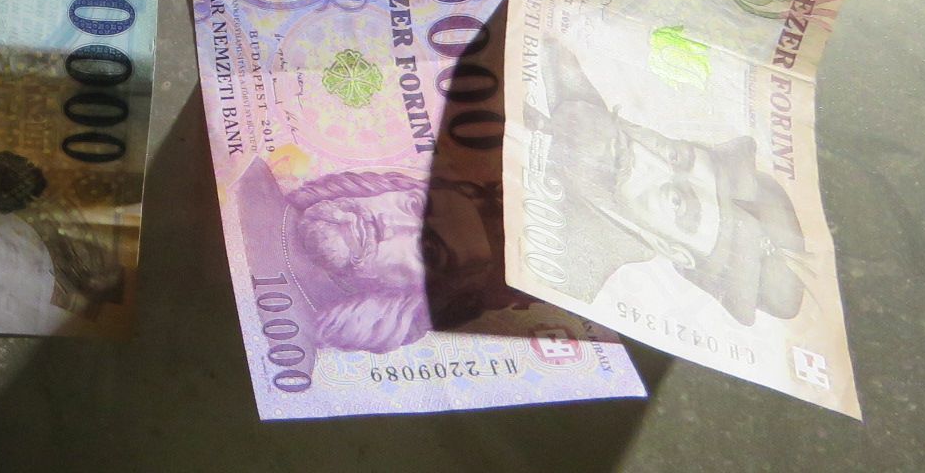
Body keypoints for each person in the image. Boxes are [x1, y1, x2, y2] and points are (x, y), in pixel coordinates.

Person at [535, 42, 809, 326]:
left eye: (677, 201)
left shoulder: (558, 274)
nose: (642, 155)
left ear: (670, 249)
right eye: (675, 156)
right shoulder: (560, 57)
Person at [233, 158, 519, 354]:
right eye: (416, 206)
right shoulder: (250, 178)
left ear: (414, 296)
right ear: (390, 188)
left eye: (428, 249)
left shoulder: (287, 351)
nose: (388, 225)